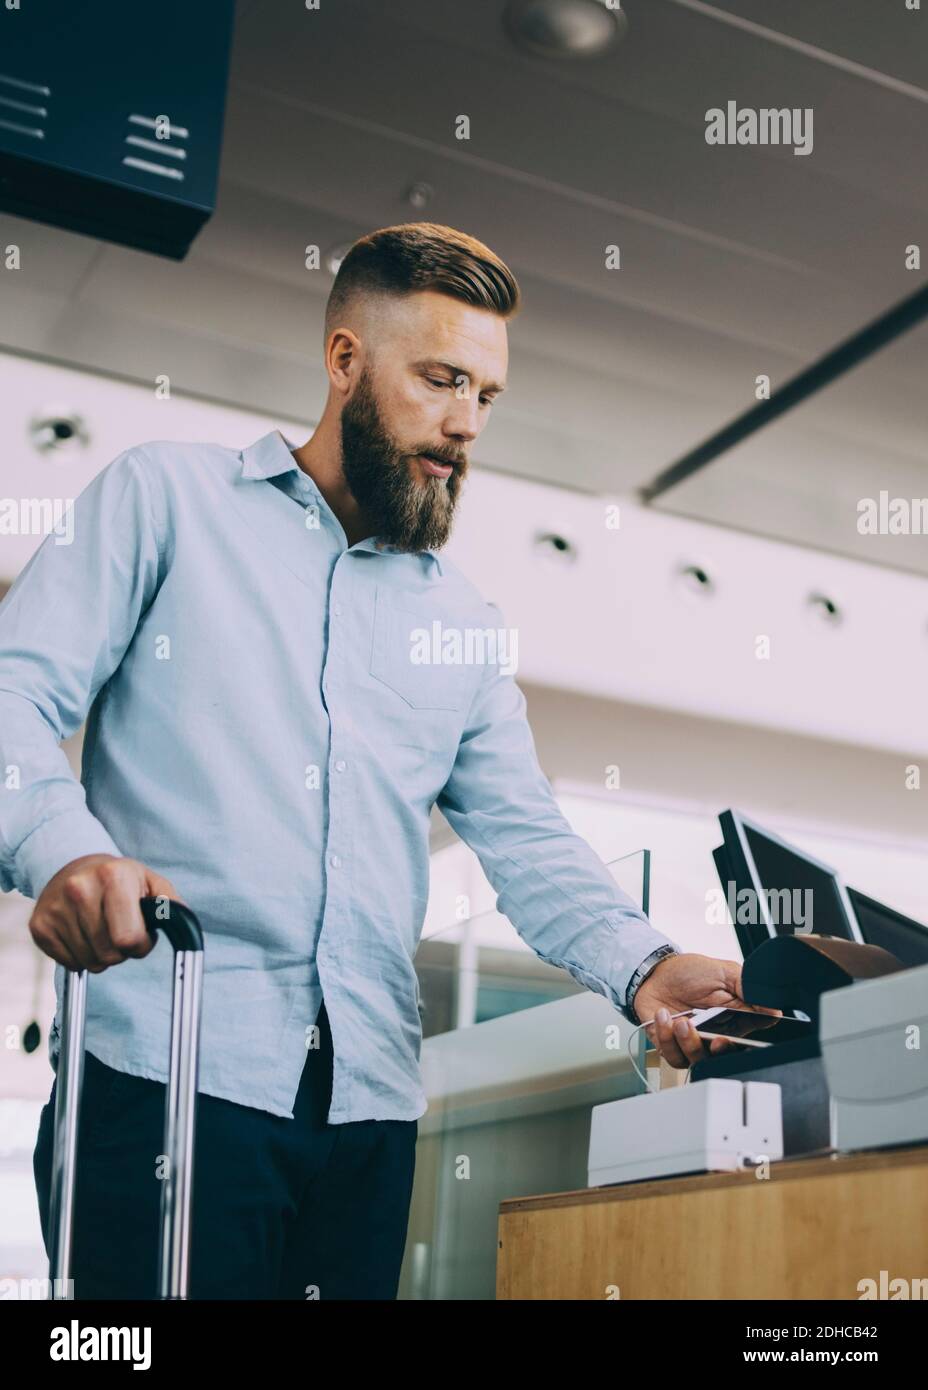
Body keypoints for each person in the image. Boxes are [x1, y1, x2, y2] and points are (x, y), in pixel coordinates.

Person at [1, 222, 775, 1301]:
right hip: (166, 1082)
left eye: (487, 396)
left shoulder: (459, 622)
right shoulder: (166, 500)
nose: (464, 423)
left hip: (367, 1114)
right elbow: (11, 694)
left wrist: (643, 965)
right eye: (441, 379)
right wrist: (64, 851)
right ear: (345, 362)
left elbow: (524, 834)